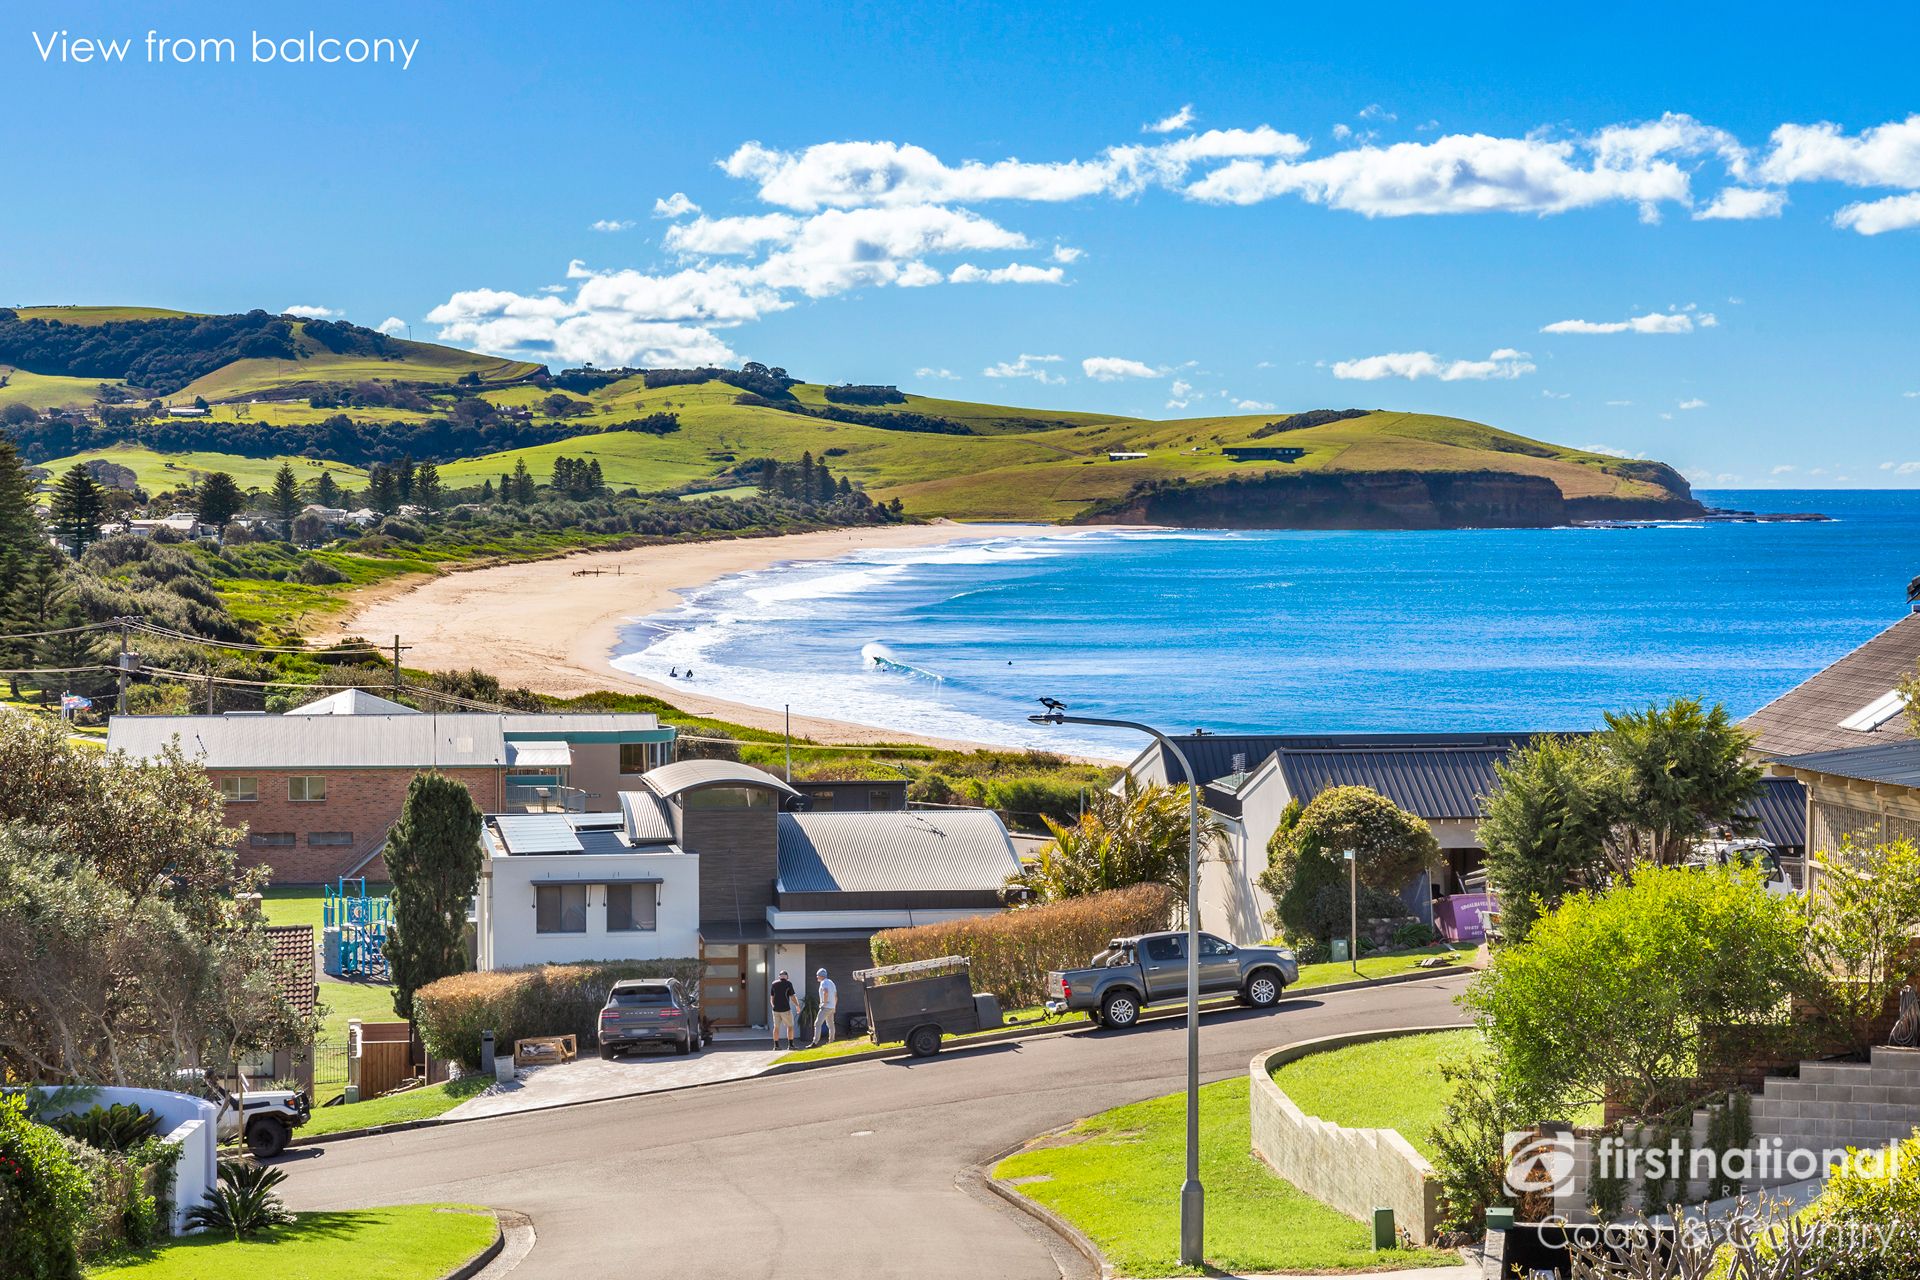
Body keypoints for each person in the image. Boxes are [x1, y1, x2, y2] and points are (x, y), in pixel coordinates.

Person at [769, 969, 797, 1049]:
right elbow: (792, 996)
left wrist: (773, 1006)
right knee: (790, 1026)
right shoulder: (788, 984)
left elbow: (772, 997)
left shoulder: (774, 984)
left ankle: (776, 1046)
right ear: (787, 977)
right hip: (785, 1010)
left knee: (776, 1027)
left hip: (775, 1010)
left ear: (779, 977)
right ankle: (791, 1045)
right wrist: (797, 1005)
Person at [810, 967, 837, 1046]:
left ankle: (815, 1042)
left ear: (821, 976)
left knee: (817, 1024)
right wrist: (834, 1007)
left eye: (817, 975)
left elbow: (825, 992)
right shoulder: (831, 982)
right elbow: (836, 996)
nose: (817, 977)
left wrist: (824, 1003)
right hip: (832, 1007)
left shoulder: (823, 982)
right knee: (831, 1025)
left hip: (826, 1007)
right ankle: (831, 1041)